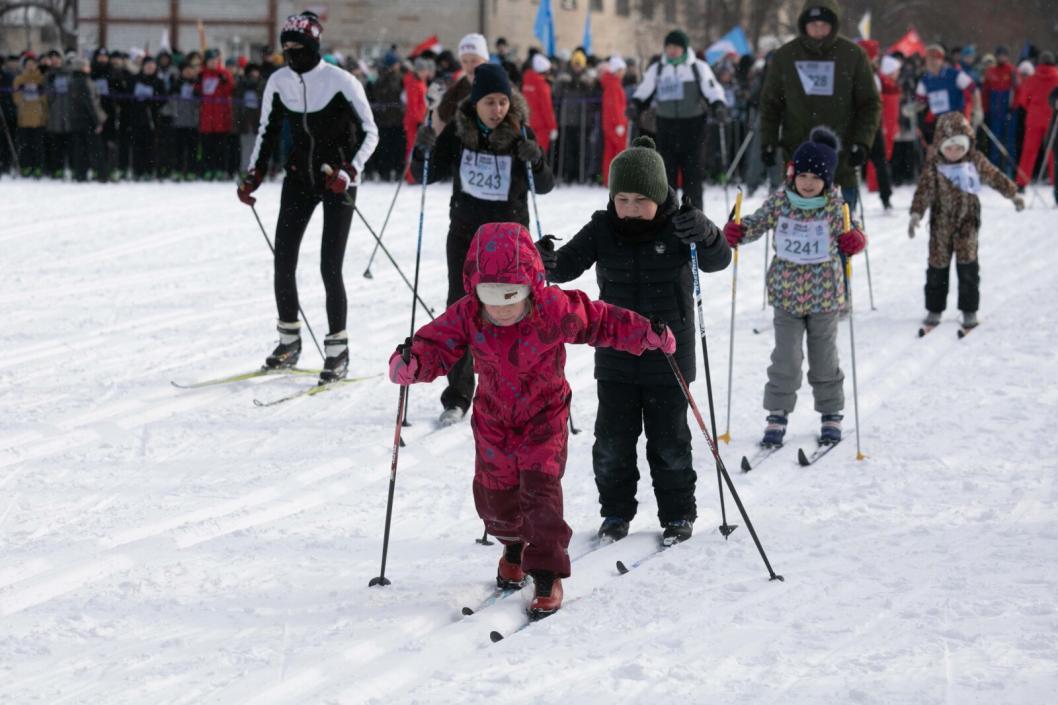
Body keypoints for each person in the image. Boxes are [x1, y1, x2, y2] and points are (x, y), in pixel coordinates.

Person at [387, 221, 674, 619]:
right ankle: (513, 546)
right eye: (491, 295)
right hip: (493, 419)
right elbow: (435, 344)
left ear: (530, 286)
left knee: (540, 493)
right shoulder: (470, 314)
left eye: (511, 295)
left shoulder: (552, 309)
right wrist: (412, 362)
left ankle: (545, 573)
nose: (502, 306)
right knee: (495, 499)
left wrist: (646, 334)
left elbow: (601, 320)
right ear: (475, 290)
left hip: (545, 415)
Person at [540, 136, 730, 545]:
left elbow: (718, 259)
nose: (629, 208)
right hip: (616, 356)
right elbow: (567, 266)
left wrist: (708, 233)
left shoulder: (681, 225)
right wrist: (546, 262)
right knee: (611, 443)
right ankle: (615, 512)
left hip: (670, 357)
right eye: (621, 199)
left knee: (670, 444)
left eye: (640, 200)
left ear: (660, 197)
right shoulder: (603, 227)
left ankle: (678, 514)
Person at [238, 10, 379, 384]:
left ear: (315, 46)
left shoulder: (340, 81)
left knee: (329, 266)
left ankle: (338, 350)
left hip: (338, 181)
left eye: (299, 48)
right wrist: (253, 175)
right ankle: (289, 342)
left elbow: (371, 132)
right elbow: (267, 132)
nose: (291, 55)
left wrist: (350, 171)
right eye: (286, 49)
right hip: (299, 178)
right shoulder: (279, 81)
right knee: (283, 259)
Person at [410, 62, 554, 426]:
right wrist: (421, 150)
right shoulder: (458, 134)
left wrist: (535, 160)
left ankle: (516, 390)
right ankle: (458, 395)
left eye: (502, 102)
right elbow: (428, 173)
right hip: (466, 237)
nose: (497, 110)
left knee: (511, 314)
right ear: (475, 104)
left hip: (509, 240)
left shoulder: (520, 133)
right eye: (489, 102)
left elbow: (546, 185)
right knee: (461, 310)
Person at [723, 127, 868, 447]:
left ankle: (831, 413)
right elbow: (754, 224)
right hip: (786, 296)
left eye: (815, 178)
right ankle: (777, 412)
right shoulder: (780, 202)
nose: (807, 182)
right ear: (792, 174)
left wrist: (853, 240)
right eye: (802, 175)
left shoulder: (833, 205)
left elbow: (855, 235)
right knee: (785, 359)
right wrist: (736, 231)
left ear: (826, 181)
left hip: (825, 298)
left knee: (824, 360)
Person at [759, 1, 881, 213]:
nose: (818, 28)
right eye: (813, 23)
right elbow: (771, 104)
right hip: (796, 161)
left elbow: (870, 104)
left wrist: (862, 143)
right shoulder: (785, 56)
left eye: (823, 23)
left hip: (841, 161)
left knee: (840, 235)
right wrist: (768, 141)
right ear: (803, 24)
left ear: (833, 24)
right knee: (794, 231)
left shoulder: (853, 55)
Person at [909, 112, 1023, 334]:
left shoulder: (974, 161)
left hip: (967, 224)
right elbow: (923, 192)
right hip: (940, 225)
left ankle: (969, 310)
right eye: (949, 148)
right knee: (936, 268)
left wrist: (1013, 194)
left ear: (968, 145)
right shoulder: (934, 165)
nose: (954, 153)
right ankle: (934, 309)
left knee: (968, 268)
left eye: (959, 148)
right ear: (941, 146)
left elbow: (995, 176)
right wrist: (916, 215)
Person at [630, 29, 727, 209]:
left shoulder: (697, 67)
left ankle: (695, 219)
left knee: (693, 179)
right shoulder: (658, 69)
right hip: (666, 128)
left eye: (676, 47)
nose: (672, 50)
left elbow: (713, 90)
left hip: (693, 129)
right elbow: (644, 91)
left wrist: (718, 105)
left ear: (684, 48)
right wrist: (635, 104)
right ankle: (668, 219)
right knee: (666, 179)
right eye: (669, 47)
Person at [1013, 52, 1058, 190]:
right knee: (1053, 150)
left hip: (1034, 118)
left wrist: (1033, 108)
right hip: (1052, 119)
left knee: (1029, 151)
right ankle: (1055, 181)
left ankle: (1021, 182)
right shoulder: (1057, 77)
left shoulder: (1031, 79)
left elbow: (1023, 100)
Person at [437, 33, 490, 128]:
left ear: (485, 61)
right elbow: (441, 124)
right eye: (464, 61)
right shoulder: (453, 93)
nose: (470, 67)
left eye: (474, 61)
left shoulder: (500, 86)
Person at [196, 49, 233, 180]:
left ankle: (220, 169)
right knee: (207, 146)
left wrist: (225, 81)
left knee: (220, 146)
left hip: (220, 116)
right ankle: (208, 169)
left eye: (214, 60)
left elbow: (230, 90)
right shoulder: (202, 74)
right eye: (210, 61)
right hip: (206, 116)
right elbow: (198, 91)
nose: (212, 63)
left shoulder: (224, 74)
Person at [982, 47, 1018, 177]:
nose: (1001, 58)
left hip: (1008, 112)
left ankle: (1010, 169)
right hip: (995, 111)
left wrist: (1013, 106)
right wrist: (985, 110)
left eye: (1004, 56)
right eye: (999, 56)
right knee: (994, 140)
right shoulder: (990, 71)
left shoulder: (1012, 70)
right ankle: (994, 170)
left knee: (1010, 141)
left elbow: (1018, 90)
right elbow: (985, 92)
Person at [128, 55, 165, 180]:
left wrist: (152, 102)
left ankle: (150, 170)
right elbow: (128, 95)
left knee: (151, 146)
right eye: (148, 66)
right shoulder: (134, 79)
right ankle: (137, 171)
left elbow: (163, 99)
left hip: (152, 118)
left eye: (152, 66)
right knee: (137, 145)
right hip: (137, 117)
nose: (150, 68)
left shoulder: (158, 81)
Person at [13, 54, 47, 177]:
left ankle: (38, 167)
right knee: (25, 144)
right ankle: (25, 167)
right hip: (24, 116)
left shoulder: (41, 78)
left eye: (33, 63)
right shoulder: (19, 79)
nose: (31, 66)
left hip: (38, 117)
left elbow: (45, 98)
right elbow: (16, 98)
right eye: (28, 64)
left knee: (38, 145)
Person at [520, 52, 558, 157]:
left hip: (526, 123)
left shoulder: (526, 82)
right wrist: (552, 127)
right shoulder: (543, 86)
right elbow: (547, 109)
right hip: (541, 127)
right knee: (538, 158)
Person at [402, 55, 433, 183]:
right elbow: (413, 106)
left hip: (420, 119)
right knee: (412, 148)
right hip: (414, 122)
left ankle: (414, 174)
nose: (426, 73)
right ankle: (410, 176)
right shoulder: (414, 84)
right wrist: (419, 120)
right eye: (424, 71)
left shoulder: (421, 82)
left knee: (417, 148)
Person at [599, 56, 628, 187]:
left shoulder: (610, 83)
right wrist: (620, 123)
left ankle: (609, 178)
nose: (623, 73)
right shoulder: (614, 85)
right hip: (615, 125)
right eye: (622, 70)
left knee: (610, 152)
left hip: (610, 124)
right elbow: (616, 106)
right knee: (618, 152)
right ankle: (617, 179)